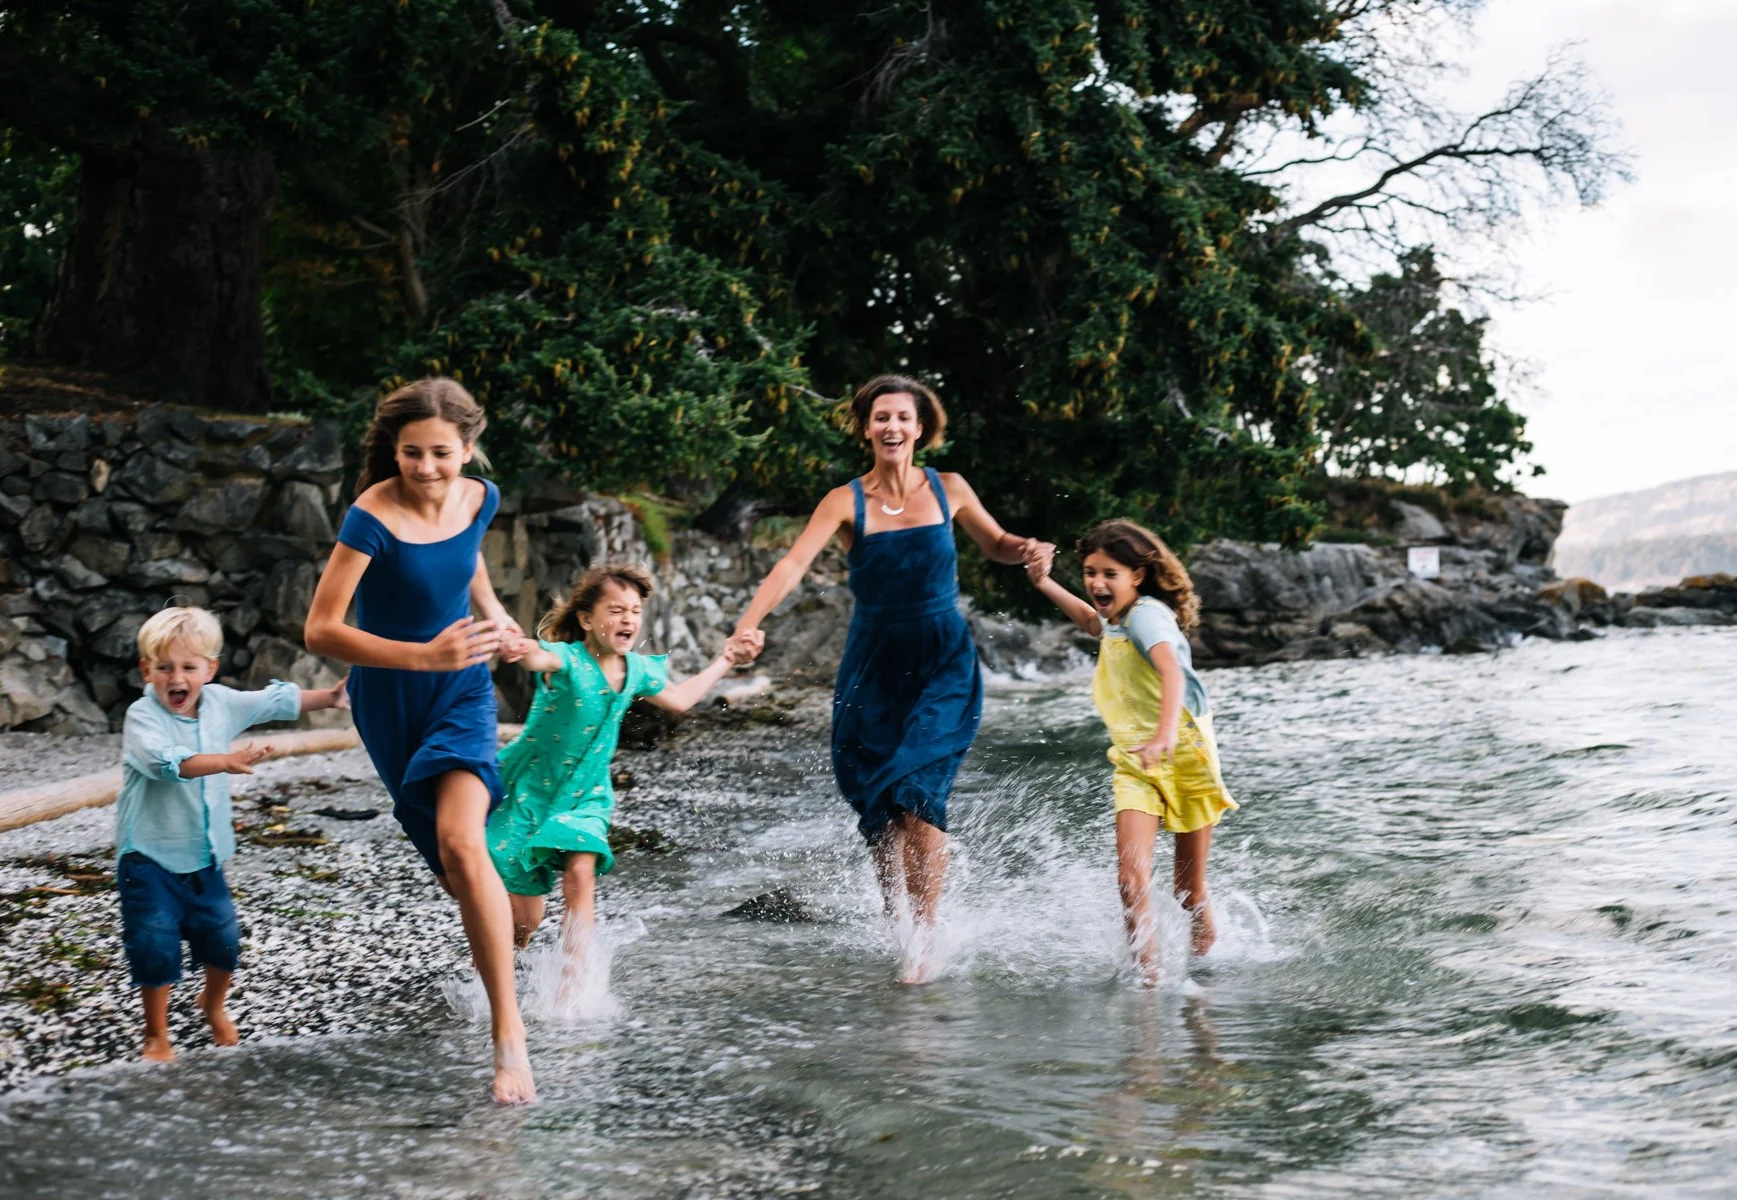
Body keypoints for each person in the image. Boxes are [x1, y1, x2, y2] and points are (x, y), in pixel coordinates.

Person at [730, 374, 1051, 982]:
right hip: (874, 663)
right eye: (881, 417)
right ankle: (895, 918)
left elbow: (998, 545)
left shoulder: (949, 488)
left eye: (903, 417)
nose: (892, 427)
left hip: (943, 658)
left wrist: (1028, 547)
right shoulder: (843, 501)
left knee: (918, 792)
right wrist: (747, 625)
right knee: (879, 800)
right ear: (866, 427)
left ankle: (924, 939)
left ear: (920, 427)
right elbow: (793, 563)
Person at [303, 378, 535, 1103]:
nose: (427, 467)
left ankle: (510, 1039)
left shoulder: (481, 497)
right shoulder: (370, 516)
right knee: (463, 872)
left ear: (468, 449)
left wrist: (496, 619)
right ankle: (512, 917)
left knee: (466, 849)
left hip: (462, 685)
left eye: (442, 453)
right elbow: (322, 629)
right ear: (394, 451)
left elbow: (469, 562)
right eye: (412, 453)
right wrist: (422, 655)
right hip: (392, 693)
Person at [489, 564, 759, 961]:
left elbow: (681, 699)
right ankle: (490, 976)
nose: (627, 618)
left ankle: (573, 992)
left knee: (581, 871)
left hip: (587, 796)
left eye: (634, 611)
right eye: (615, 610)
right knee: (524, 920)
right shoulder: (566, 660)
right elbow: (536, 656)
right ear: (586, 619)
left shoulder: (635, 670)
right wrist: (517, 647)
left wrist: (727, 660)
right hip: (529, 790)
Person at [118, 606, 348, 1062]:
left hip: (205, 855)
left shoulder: (220, 702)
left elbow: (271, 701)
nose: (175, 677)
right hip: (148, 857)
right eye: (163, 668)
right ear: (146, 671)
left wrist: (332, 697)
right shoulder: (141, 718)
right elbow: (171, 764)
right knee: (154, 941)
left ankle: (212, 1004)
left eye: (188, 667)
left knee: (223, 941)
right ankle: (156, 1034)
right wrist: (223, 761)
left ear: (209, 670)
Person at [1027, 520, 1237, 980]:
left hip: (1184, 753)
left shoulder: (1147, 616)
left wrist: (1163, 735)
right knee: (1130, 878)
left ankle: (1207, 964)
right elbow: (1090, 621)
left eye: (1109, 574)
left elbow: (1173, 674)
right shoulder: (1118, 618)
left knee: (1188, 893)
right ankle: (1149, 977)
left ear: (1137, 576)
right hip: (1135, 760)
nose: (1096, 582)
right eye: (1089, 571)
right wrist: (1044, 581)